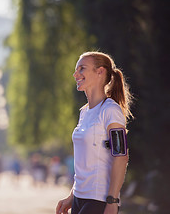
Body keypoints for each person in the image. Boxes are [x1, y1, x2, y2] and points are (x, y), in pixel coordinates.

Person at [56, 51, 133, 214]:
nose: (75, 74)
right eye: (76, 69)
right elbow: (85, 160)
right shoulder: (84, 112)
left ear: (100, 72)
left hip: (99, 199)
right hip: (79, 197)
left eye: (82, 69)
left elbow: (121, 156)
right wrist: (71, 196)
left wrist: (112, 201)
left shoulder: (111, 110)